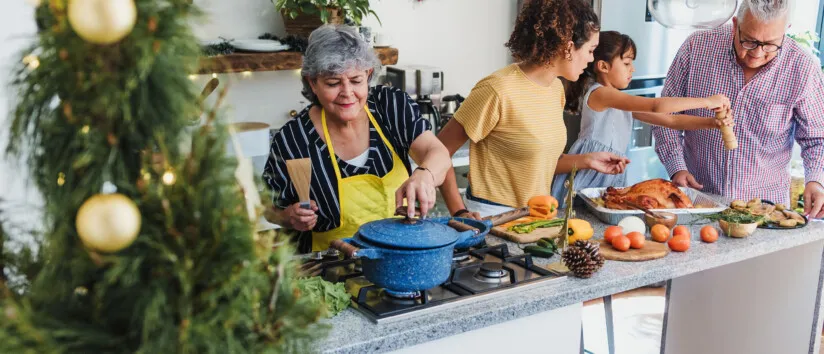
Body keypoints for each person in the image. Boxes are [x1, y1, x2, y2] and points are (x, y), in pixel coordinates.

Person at [263, 25, 452, 252]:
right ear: (312, 83)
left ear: (368, 75)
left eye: (356, 80)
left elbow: (438, 152)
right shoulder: (293, 140)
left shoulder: (390, 105)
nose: (347, 93)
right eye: (333, 83)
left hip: (399, 258)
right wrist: (288, 217)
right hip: (330, 270)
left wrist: (425, 175)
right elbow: (266, 206)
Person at [437, 0, 629, 218]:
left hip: (537, 216)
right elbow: (440, 151)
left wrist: (588, 160)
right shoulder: (497, 89)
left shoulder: (555, 88)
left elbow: (541, 160)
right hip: (492, 218)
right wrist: (459, 211)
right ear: (568, 48)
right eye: (591, 50)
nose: (592, 59)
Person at [653, 0, 824, 218]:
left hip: (765, 210)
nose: (758, 54)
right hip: (698, 201)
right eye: (749, 42)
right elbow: (665, 115)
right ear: (735, 25)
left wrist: (816, 180)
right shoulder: (696, 48)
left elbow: (818, 138)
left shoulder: (803, 68)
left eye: (770, 44)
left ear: (785, 32)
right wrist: (677, 167)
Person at [550, 31, 733, 204]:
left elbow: (671, 120)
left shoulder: (620, 101)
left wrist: (712, 123)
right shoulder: (601, 94)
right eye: (627, 63)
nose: (633, 69)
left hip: (609, 172)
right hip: (589, 173)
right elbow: (656, 105)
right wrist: (706, 101)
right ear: (603, 66)